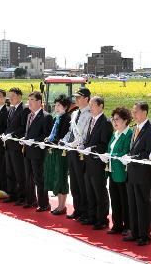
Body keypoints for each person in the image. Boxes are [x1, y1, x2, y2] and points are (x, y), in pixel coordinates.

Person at [121, 102, 151, 246]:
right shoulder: (135, 128)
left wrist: (133, 158)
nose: (133, 114)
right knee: (133, 204)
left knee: (143, 205)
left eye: (136, 112)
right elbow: (132, 149)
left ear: (144, 112)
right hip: (131, 172)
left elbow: (148, 152)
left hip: (143, 174)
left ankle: (144, 235)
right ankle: (134, 231)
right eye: (133, 111)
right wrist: (127, 156)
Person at [60, 88, 92, 221]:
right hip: (71, 151)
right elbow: (70, 131)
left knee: (81, 183)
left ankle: (84, 211)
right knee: (73, 182)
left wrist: (72, 144)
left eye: (79, 97)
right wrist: (64, 141)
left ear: (86, 99)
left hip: (81, 153)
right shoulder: (74, 113)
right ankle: (77, 209)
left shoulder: (89, 114)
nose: (76, 100)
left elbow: (84, 135)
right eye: (76, 97)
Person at [82, 96, 113, 230]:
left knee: (99, 191)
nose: (90, 108)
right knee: (89, 190)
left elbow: (104, 143)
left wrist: (92, 149)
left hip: (97, 162)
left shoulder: (105, 122)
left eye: (92, 105)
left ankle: (102, 218)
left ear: (100, 106)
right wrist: (84, 146)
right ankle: (92, 215)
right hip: (88, 161)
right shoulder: (92, 120)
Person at [101, 106, 133, 236]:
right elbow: (110, 149)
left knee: (124, 200)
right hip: (112, 171)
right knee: (115, 199)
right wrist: (106, 155)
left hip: (122, 172)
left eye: (117, 119)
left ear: (125, 120)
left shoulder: (129, 134)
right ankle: (117, 224)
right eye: (113, 119)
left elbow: (125, 150)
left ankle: (127, 225)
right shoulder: (115, 133)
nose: (114, 122)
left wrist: (112, 155)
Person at [23, 91, 53, 211]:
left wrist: (34, 140)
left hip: (38, 153)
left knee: (39, 179)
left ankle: (44, 203)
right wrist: (24, 139)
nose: (29, 102)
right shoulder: (29, 115)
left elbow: (47, 135)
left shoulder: (46, 116)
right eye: (29, 100)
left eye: (32, 100)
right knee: (28, 177)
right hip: (27, 151)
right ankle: (31, 200)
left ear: (39, 102)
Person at [43, 94, 71, 215]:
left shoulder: (67, 118)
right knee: (56, 176)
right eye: (55, 105)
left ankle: (62, 205)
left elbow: (63, 135)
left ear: (65, 106)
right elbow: (53, 134)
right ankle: (59, 205)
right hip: (54, 150)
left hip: (62, 152)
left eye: (58, 105)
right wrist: (48, 139)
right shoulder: (57, 118)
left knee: (61, 177)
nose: (56, 107)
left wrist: (53, 141)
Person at [2, 88, 30, 205]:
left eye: (13, 95)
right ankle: (12, 194)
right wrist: (5, 133)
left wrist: (12, 134)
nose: (10, 98)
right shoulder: (11, 109)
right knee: (9, 171)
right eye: (10, 96)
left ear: (19, 96)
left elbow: (23, 127)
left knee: (19, 172)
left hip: (17, 146)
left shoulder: (24, 109)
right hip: (8, 145)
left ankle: (22, 196)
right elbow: (8, 125)